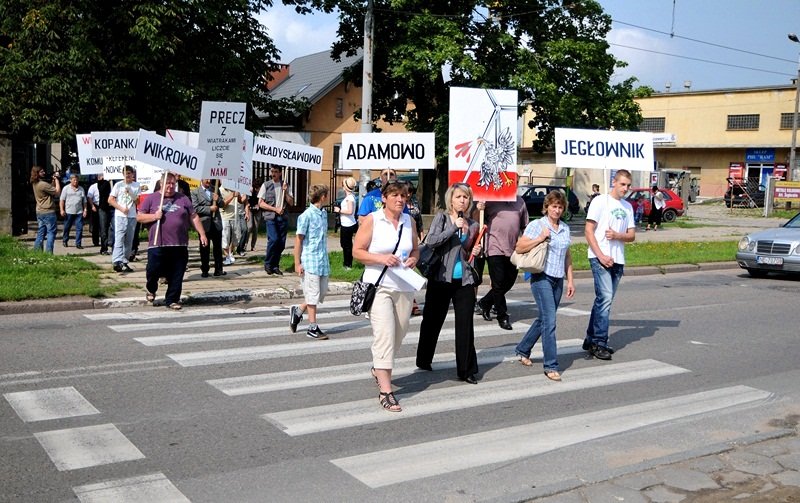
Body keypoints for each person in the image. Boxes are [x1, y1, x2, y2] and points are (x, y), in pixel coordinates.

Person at [353, 181, 419, 412]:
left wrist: (413, 259)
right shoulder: (373, 219)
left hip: (404, 287)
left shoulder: (409, 221)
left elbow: (415, 250)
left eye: (403, 196)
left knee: (398, 335)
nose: (400, 199)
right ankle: (386, 390)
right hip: (379, 285)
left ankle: (378, 367)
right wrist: (382, 259)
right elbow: (357, 251)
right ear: (384, 197)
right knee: (385, 336)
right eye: (395, 195)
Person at [416, 183, 481, 385]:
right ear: (451, 200)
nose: (463, 200)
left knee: (465, 325)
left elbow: (466, 251)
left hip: (464, 280)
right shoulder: (442, 218)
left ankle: (466, 369)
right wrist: (454, 227)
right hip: (440, 278)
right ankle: (424, 359)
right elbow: (432, 241)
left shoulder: (473, 224)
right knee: (432, 321)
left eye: (466, 197)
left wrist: (474, 253)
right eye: (459, 197)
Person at [514, 191, 575, 381]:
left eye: (560, 207)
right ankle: (551, 365)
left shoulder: (564, 228)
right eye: (553, 206)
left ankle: (523, 349)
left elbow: (567, 255)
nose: (556, 210)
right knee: (550, 321)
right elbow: (519, 247)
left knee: (544, 319)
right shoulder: (537, 225)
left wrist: (570, 280)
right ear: (546, 207)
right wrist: (540, 238)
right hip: (541, 278)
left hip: (558, 279)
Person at [583, 169, 636, 361]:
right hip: (600, 258)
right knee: (604, 299)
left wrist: (617, 235)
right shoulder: (600, 201)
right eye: (622, 184)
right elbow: (588, 231)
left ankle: (590, 338)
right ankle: (599, 342)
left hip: (618, 259)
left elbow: (631, 235)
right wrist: (600, 255)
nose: (626, 188)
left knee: (603, 301)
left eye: (628, 185)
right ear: (614, 182)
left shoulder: (628, 207)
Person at [137, 173, 208, 310]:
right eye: (167, 183)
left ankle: (172, 299)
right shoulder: (152, 198)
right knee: (153, 269)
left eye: (172, 184)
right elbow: (139, 217)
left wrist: (202, 234)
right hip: (158, 243)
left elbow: (193, 216)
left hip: (179, 244)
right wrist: (154, 216)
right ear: (161, 184)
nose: (170, 186)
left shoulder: (183, 199)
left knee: (177, 273)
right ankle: (151, 289)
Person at [475, 196, 528, 330]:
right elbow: (477, 221)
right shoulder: (491, 200)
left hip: (512, 248)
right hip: (494, 246)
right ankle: (502, 316)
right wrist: (478, 209)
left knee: (509, 281)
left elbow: (524, 226)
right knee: (498, 282)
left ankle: (485, 302)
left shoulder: (520, 202)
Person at [290, 185, 331, 340]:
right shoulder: (305, 216)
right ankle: (312, 327)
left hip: (322, 260)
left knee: (320, 294)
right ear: (322, 197)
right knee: (313, 295)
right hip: (310, 261)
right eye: (327, 195)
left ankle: (298, 311)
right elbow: (298, 240)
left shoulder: (324, 214)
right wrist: (297, 263)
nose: (328, 197)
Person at [258, 166, 294, 275]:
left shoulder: (286, 185)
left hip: (282, 217)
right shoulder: (266, 185)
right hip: (271, 217)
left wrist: (286, 191)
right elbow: (260, 203)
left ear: (280, 173)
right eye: (272, 171)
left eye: (276, 172)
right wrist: (274, 209)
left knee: (281, 243)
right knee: (274, 239)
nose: (273, 174)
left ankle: (275, 265)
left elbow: (291, 202)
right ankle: (268, 263)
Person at [108, 165, 140, 272]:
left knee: (129, 240)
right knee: (119, 237)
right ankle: (116, 261)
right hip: (120, 215)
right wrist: (121, 208)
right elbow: (111, 200)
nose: (128, 176)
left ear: (132, 174)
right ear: (123, 175)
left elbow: (137, 202)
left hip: (131, 215)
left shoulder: (136, 185)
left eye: (130, 174)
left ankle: (124, 261)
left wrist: (131, 192)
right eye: (126, 174)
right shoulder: (118, 185)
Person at [191, 179, 225, 277]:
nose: (209, 181)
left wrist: (218, 199)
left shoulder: (215, 190)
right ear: (202, 179)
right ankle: (205, 269)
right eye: (206, 178)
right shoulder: (195, 192)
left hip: (216, 223)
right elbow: (195, 208)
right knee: (204, 247)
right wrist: (209, 209)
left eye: (210, 178)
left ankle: (218, 269)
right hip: (204, 224)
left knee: (217, 248)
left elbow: (222, 204)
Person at [30, 165, 62, 253]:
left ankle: (37, 251)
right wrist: (57, 180)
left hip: (40, 211)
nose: (44, 173)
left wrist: (52, 181)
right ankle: (49, 252)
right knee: (51, 233)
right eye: (42, 171)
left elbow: (49, 190)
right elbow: (57, 192)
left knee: (41, 232)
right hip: (48, 212)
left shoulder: (35, 183)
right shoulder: (42, 184)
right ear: (37, 173)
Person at [333, 176, 358, 269]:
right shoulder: (350, 197)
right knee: (345, 244)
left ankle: (348, 264)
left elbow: (350, 211)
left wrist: (339, 210)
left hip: (348, 224)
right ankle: (347, 263)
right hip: (347, 223)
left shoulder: (349, 199)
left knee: (346, 245)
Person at [59, 173, 88, 249]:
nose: (75, 181)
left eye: (77, 180)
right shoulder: (66, 188)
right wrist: (62, 210)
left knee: (79, 228)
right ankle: (65, 240)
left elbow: (84, 201)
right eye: (74, 180)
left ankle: (78, 243)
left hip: (79, 212)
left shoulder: (81, 189)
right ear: (70, 180)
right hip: (69, 212)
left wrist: (85, 210)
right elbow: (62, 200)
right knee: (67, 227)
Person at [218, 184, 239, 265]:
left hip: (235, 216)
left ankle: (230, 253)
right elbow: (223, 204)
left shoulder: (233, 188)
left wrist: (243, 195)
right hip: (224, 217)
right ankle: (226, 256)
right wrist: (232, 195)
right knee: (225, 237)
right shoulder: (219, 190)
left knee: (236, 237)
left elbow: (241, 200)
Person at [247, 178, 264, 252]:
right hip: (250, 209)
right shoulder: (251, 191)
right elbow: (247, 201)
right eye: (256, 188)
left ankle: (253, 246)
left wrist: (259, 205)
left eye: (259, 188)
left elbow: (264, 201)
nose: (258, 190)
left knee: (256, 228)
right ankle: (244, 244)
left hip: (258, 210)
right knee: (249, 226)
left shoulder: (263, 192)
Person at [86, 177, 101, 247]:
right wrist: (92, 206)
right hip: (96, 205)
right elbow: (89, 197)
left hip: (104, 205)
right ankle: (96, 241)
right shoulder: (93, 187)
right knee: (95, 225)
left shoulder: (108, 185)